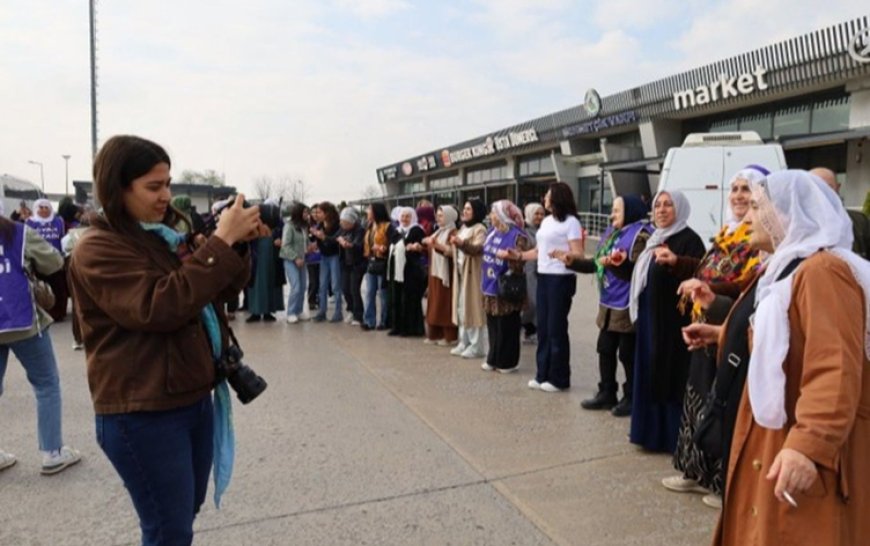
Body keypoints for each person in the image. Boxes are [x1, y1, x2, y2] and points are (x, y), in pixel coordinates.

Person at [68, 135, 257, 546]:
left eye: (168, 183)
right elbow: (160, 307)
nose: (166, 196)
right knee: (167, 529)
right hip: (142, 410)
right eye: (154, 187)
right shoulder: (97, 248)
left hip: (189, 397)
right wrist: (220, 244)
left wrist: (236, 247)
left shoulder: (162, 236)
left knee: (181, 514)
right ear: (117, 188)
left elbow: (216, 291)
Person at [682, 170, 870, 546]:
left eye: (756, 206)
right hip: (771, 438)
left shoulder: (822, 271)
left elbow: (834, 368)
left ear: (787, 213)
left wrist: (808, 446)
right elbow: (786, 342)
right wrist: (722, 337)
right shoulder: (784, 267)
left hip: (795, 444)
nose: (747, 216)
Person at [663, 167, 765, 508]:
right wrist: (684, 268)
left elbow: (745, 287)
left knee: (724, 403)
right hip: (706, 324)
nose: (738, 195)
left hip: (732, 330)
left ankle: (722, 482)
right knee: (698, 398)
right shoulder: (726, 234)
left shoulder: (761, 240)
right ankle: (694, 471)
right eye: (734, 188)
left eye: (746, 189)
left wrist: (709, 290)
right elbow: (705, 270)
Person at [0, 202, 81, 475]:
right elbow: (54, 261)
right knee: (46, 384)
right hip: (22, 320)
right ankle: (52, 453)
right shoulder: (18, 233)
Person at [554, 195, 651, 415]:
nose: (611, 215)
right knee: (605, 349)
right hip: (608, 301)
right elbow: (597, 263)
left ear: (631, 211)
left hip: (628, 303)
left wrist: (617, 264)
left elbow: (638, 271)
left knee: (627, 353)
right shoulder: (611, 234)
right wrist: (573, 261)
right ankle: (606, 392)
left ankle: (631, 397)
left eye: (617, 211)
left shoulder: (640, 236)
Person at [628, 190, 706, 452]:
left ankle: (671, 438)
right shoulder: (654, 240)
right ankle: (647, 434)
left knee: (670, 377)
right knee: (650, 373)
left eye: (668, 205)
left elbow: (702, 270)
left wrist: (676, 262)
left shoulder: (689, 240)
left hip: (673, 326)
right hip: (650, 321)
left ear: (680, 209)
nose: (661, 210)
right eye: (657, 205)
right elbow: (641, 277)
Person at [509, 183, 584, 392]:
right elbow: (539, 250)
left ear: (558, 198)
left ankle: (559, 378)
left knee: (556, 328)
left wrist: (565, 256)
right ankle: (542, 374)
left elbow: (578, 253)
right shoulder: (547, 221)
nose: (545, 199)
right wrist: (520, 256)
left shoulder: (571, 223)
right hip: (543, 275)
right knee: (543, 327)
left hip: (561, 279)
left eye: (548, 196)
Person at [483, 200, 530, 373]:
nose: (491, 216)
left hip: (507, 287)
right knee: (493, 324)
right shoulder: (491, 232)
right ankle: (493, 357)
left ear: (502, 215)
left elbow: (520, 261)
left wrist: (511, 256)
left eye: (494, 213)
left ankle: (507, 361)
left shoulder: (518, 235)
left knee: (507, 325)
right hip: (490, 284)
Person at [448, 200, 489, 359]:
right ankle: (463, 342)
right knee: (461, 308)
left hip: (472, 274)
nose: (464, 212)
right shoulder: (463, 228)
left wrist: (461, 243)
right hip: (460, 272)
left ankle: (476, 346)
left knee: (473, 308)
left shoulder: (480, 229)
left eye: (468, 209)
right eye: (464, 209)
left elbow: (478, 248)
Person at [810, 167, 870, 260]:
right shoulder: (796, 226)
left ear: (838, 188)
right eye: (816, 187)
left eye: (828, 187)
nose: (822, 192)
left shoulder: (859, 222)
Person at [421, 205, 459, 345]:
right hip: (435, 273)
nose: (438, 218)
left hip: (446, 274)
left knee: (445, 303)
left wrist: (435, 245)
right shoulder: (438, 232)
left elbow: (452, 251)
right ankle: (435, 334)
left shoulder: (453, 232)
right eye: (437, 215)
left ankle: (449, 336)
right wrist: (424, 244)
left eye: (441, 215)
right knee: (435, 303)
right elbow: (430, 244)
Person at [26, 199, 68, 322]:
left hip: (56, 261)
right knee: (40, 290)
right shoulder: (30, 223)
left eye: (46, 207)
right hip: (37, 262)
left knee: (59, 289)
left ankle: (58, 313)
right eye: (41, 207)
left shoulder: (58, 222)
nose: (44, 210)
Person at [387, 207, 426, 337]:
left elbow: (421, 247)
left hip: (410, 270)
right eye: (402, 216)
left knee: (409, 299)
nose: (404, 219)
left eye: (407, 216)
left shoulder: (417, 231)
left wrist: (415, 247)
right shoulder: (397, 231)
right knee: (396, 297)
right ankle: (396, 326)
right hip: (396, 270)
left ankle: (410, 328)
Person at [245, 201, 284, 323]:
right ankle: (264, 312)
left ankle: (258, 312)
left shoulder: (265, 227)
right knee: (263, 283)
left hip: (260, 260)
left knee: (260, 284)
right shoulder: (273, 228)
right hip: (262, 260)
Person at [362, 203, 392, 331]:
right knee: (369, 292)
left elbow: (393, 243)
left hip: (383, 261)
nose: (367, 212)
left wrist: (383, 248)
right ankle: (369, 321)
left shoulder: (387, 226)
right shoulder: (369, 226)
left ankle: (384, 321)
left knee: (383, 293)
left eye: (369, 210)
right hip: (371, 261)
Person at [311, 202, 343, 322]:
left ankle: (338, 312)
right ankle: (322, 311)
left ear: (327, 213)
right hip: (323, 257)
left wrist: (323, 237)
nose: (317, 214)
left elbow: (336, 240)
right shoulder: (319, 225)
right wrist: (314, 241)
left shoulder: (337, 225)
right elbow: (318, 241)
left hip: (334, 256)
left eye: (319, 212)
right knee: (322, 285)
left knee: (335, 285)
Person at [280, 202, 309, 323]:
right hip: (291, 260)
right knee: (296, 286)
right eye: (305, 212)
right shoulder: (289, 226)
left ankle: (298, 310)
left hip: (302, 260)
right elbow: (285, 245)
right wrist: (295, 258)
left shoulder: (303, 227)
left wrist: (310, 247)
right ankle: (291, 312)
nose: (307, 214)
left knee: (303, 286)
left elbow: (304, 243)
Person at [338, 207, 366, 326]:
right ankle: (350, 310)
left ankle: (358, 315)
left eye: (345, 222)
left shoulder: (360, 230)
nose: (342, 224)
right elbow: (335, 237)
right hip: (345, 264)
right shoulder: (343, 230)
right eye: (342, 222)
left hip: (357, 264)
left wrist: (347, 244)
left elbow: (358, 245)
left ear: (352, 222)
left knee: (354, 289)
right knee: (345, 288)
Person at [521, 202, 544, 345]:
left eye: (542, 214)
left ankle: (532, 330)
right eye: (536, 213)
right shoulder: (522, 230)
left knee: (537, 302)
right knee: (530, 301)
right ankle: (526, 326)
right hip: (526, 269)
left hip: (540, 270)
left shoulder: (544, 230)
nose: (539, 217)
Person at [306, 203, 322, 312]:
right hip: (311, 258)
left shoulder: (323, 225)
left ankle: (320, 300)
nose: (315, 214)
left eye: (317, 212)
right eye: (313, 212)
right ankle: (311, 301)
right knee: (313, 281)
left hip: (321, 258)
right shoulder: (307, 227)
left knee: (321, 281)